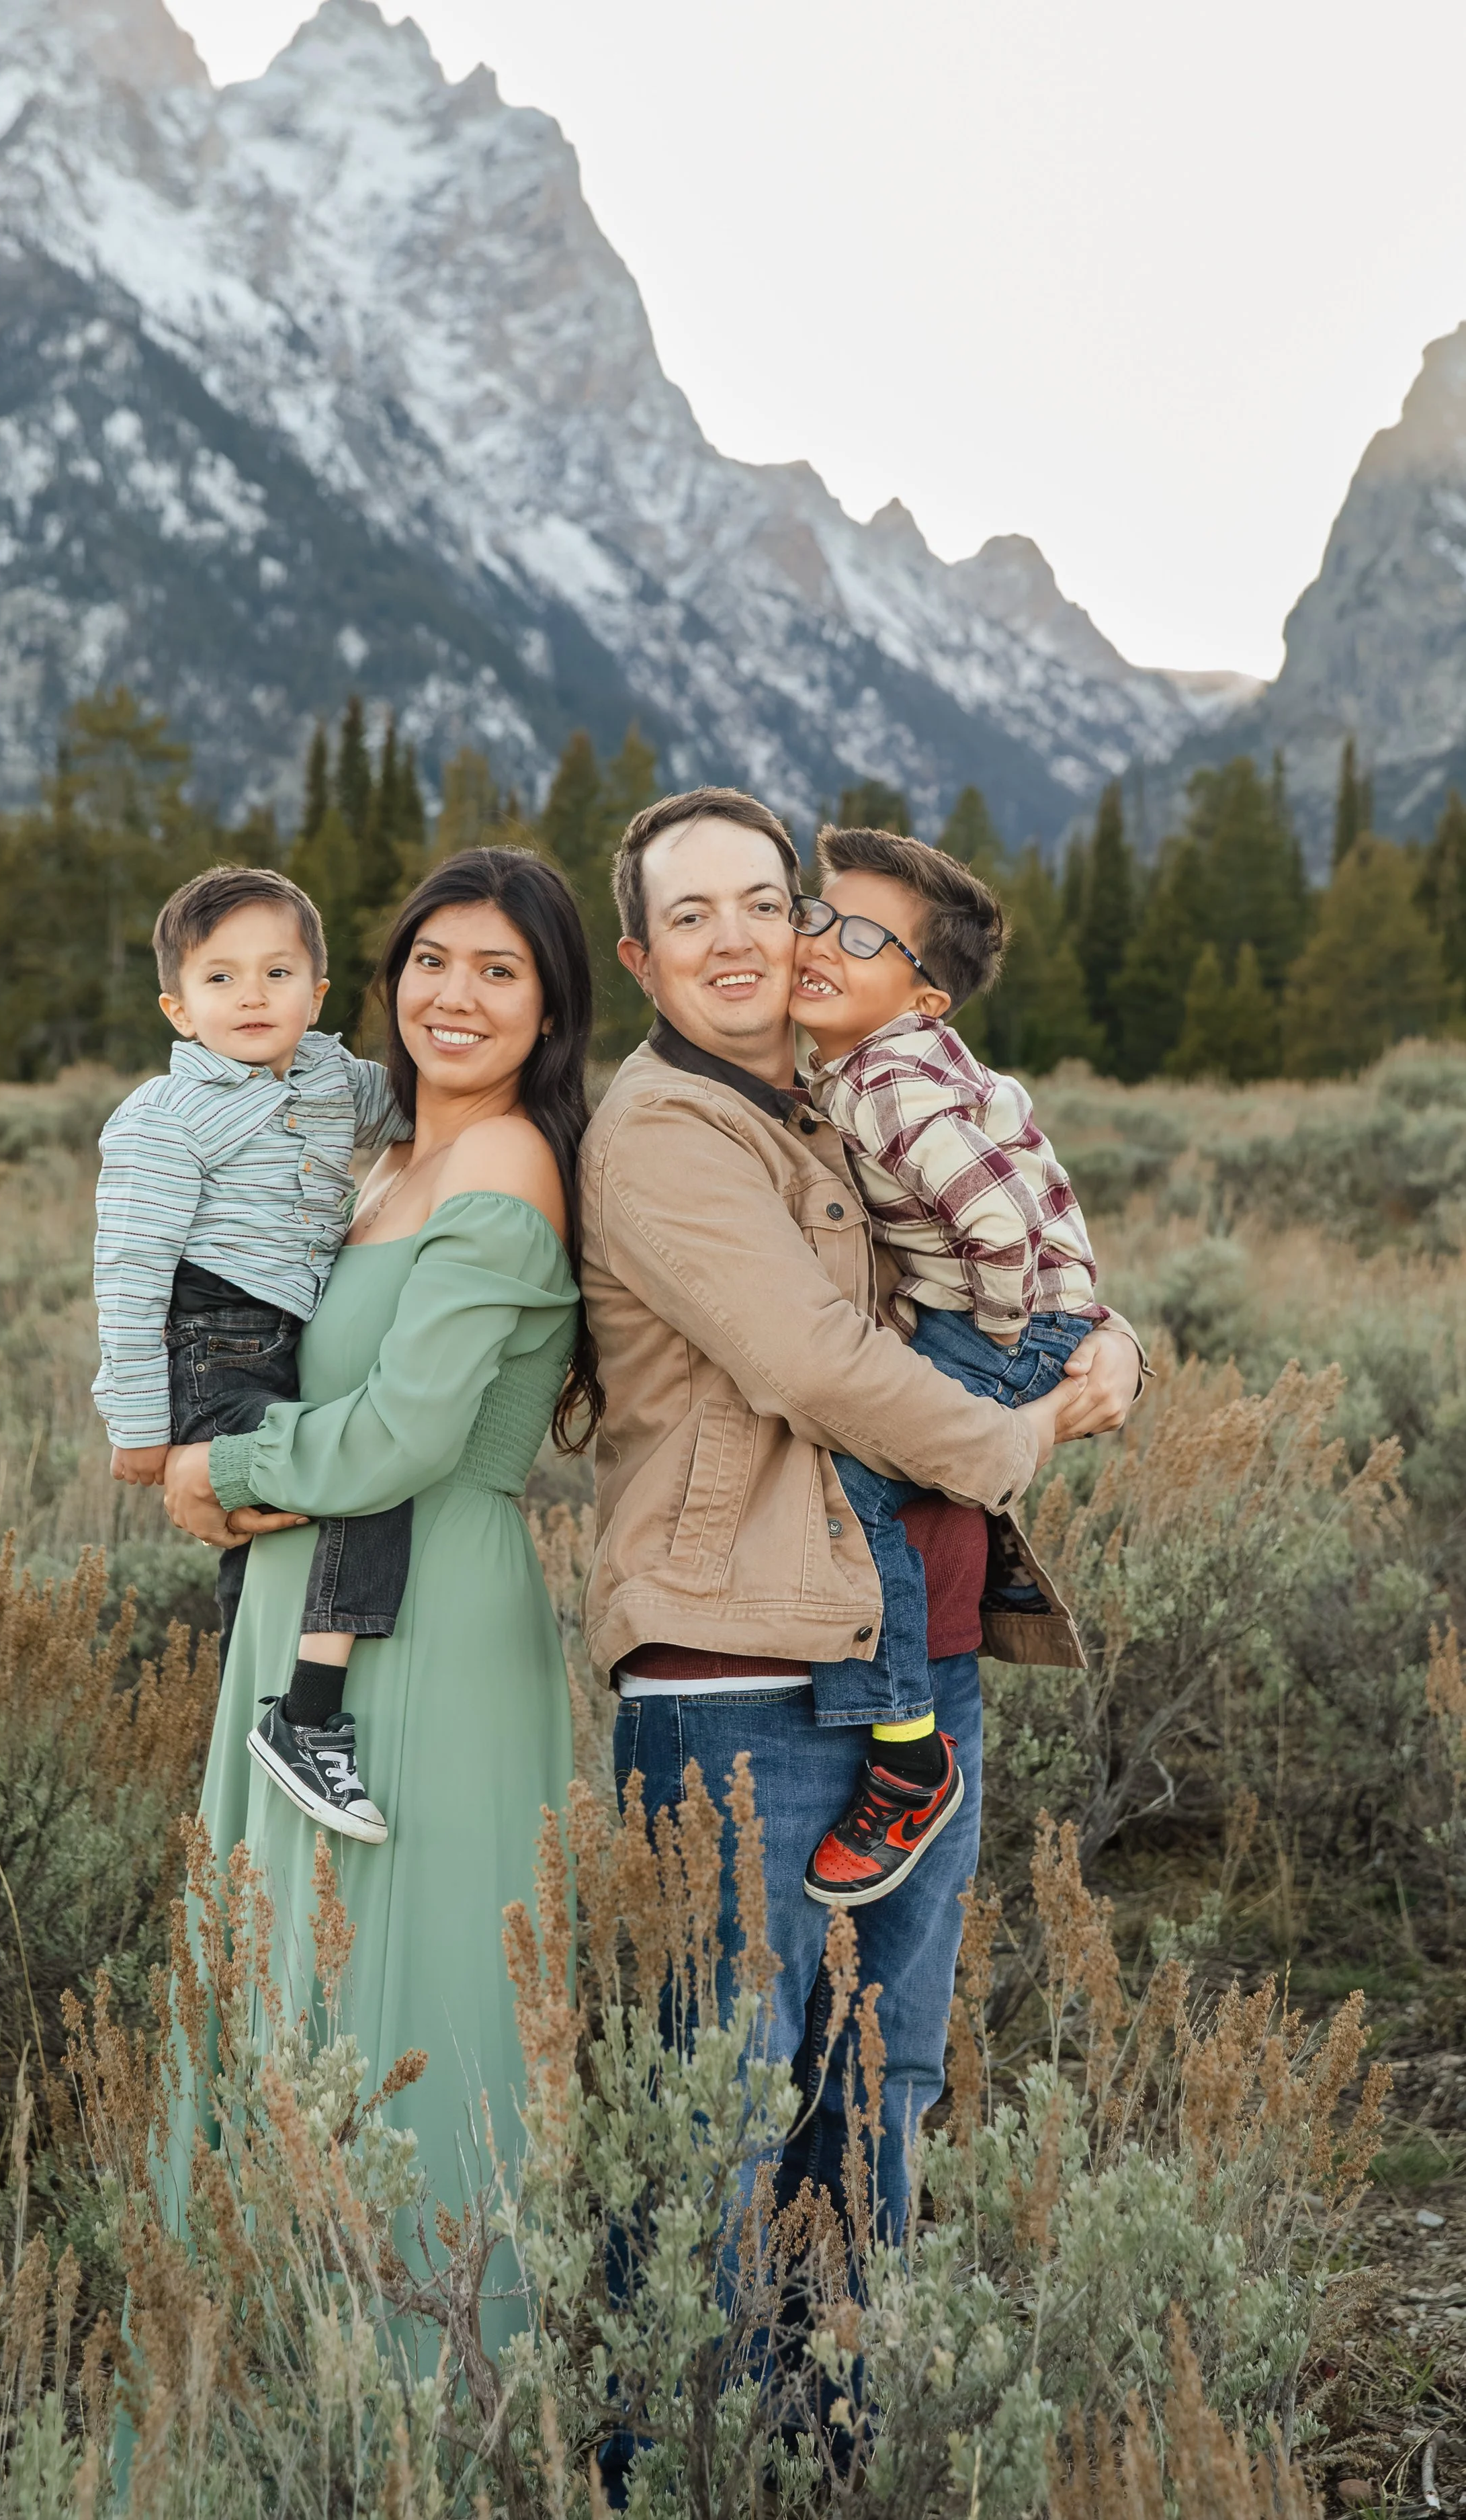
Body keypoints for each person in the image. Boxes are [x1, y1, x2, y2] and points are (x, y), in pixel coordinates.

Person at [578, 785, 1144, 2244]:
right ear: (640, 957)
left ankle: (839, 2390)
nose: (737, 939)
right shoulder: (664, 1131)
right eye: (689, 915)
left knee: (880, 2085)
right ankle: (695, 2396)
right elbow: (815, 1367)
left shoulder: (850, 1094)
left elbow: (992, 1246)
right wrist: (1023, 1434)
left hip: (919, 1666)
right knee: (719, 2098)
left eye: (765, 905)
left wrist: (1110, 1339)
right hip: (742, 1675)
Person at [159, 846, 597, 2314]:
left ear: (551, 1006)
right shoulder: (388, 1156)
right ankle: (279, 2362)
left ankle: (422, 2369)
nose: (453, 995)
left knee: (398, 1989)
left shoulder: (507, 1163)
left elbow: (409, 1432)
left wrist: (220, 1468)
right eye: (430, 960)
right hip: (316, 1601)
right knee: (295, 1979)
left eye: (498, 970)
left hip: (427, 1619)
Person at [790, 822, 1107, 1910]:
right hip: (1024, 1312)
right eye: (818, 914)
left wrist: (996, 1344)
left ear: (925, 999)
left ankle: (907, 1753)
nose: (819, 941)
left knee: (855, 1487)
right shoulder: (870, 1062)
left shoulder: (887, 1081)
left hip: (1007, 1321)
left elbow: (997, 1223)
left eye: (863, 937)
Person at [92, 864, 412, 1839]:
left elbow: (426, 1110)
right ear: (178, 1008)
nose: (252, 996)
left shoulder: (332, 1079)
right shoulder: (166, 1118)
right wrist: (141, 1430)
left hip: (295, 1342)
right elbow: (131, 1276)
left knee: (277, 1542)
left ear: (316, 994)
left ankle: (256, 1714)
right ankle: (302, 1716)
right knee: (355, 1472)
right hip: (214, 1347)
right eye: (220, 978)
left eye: (278, 973)